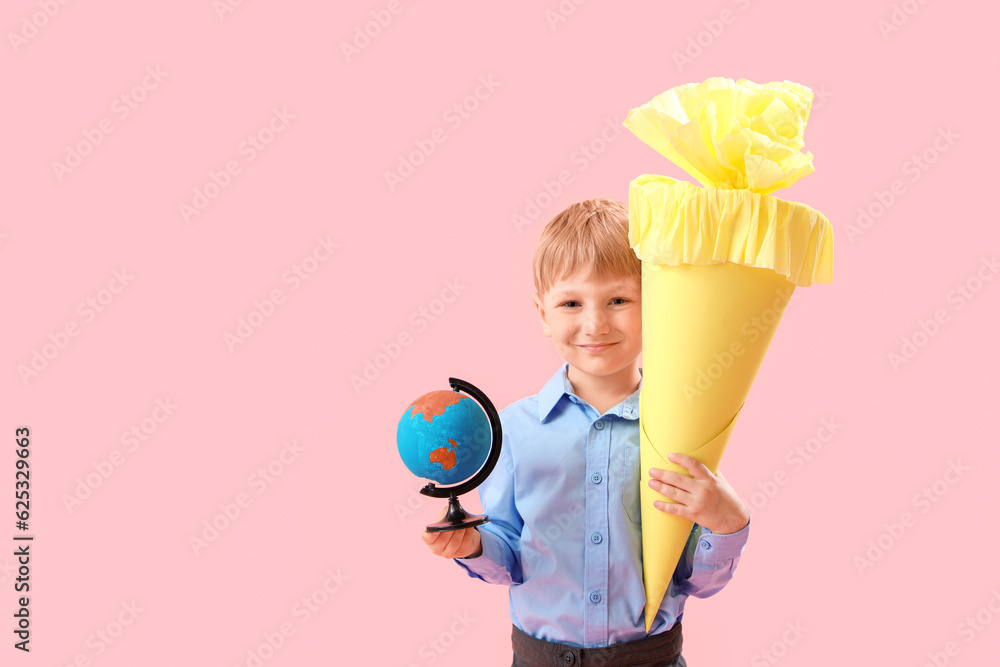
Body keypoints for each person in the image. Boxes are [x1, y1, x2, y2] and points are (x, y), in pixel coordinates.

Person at [421, 198, 750, 667]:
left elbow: (698, 581)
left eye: (618, 300)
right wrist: (473, 545)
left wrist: (727, 524)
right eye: (571, 303)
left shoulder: (683, 429)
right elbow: (510, 552)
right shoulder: (512, 431)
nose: (595, 323)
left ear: (654, 304)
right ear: (542, 313)